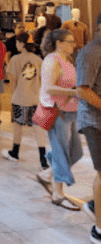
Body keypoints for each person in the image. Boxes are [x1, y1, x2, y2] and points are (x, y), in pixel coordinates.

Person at [36, 29, 81, 210]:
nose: (73, 45)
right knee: (61, 151)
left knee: (76, 151)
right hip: (58, 112)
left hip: (70, 110)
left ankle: (48, 172)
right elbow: (49, 89)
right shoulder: (51, 61)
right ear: (59, 43)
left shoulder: (67, 60)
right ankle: (58, 193)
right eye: (69, 41)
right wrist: (74, 92)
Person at [2, 32, 48, 169]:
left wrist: (12, 99)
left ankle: (14, 153)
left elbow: (13, 83)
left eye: (17, 42)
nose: (16, 45)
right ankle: (43, 160)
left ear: (22, 44)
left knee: (17, 126)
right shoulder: (39, 60)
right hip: (35, 98)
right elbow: (41, 81)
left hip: (19, 98)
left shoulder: (15, 60)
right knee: (38, 129)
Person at [75, 11, 101, 244]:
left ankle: (95, 204)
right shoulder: (91, 51)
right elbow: (82, 89)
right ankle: (98, 229)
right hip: (94, 121)